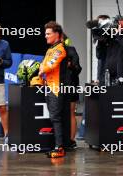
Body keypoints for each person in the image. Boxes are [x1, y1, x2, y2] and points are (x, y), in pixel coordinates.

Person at [39, 21, 67, 158]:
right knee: (54, 118)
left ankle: (60, 147)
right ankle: (58, 145)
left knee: (56, 118)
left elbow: (48, 66)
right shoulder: (51, 49)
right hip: (49, 87)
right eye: (45, 33)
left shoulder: (60, 48)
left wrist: (42, 69)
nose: (46, 36)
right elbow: (42, 66)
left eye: (48, 34)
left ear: (57, 34)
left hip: (57, 88)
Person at [62, 33, 82, 148]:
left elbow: (78, 68)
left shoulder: (71, 50)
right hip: (57, 86)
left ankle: (71, 140)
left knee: (70, 112)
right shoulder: (52, 51)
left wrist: (70, 65)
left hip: (71, 85)